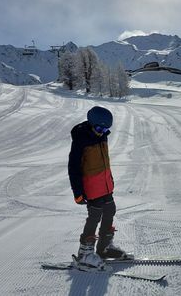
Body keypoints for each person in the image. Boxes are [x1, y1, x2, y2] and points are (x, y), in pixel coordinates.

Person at [68, 106, 129, 269]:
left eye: (106, 129)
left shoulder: (102, 137)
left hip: (105, 185)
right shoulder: (81, 139)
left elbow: (104, 162)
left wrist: (110, 180)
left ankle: (104, 247)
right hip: (91, 187)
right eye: (99, 128)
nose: (102, 131)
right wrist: (78, 192)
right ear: (91, 124)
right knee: (95, 216)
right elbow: (73, 167)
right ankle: (85, 253)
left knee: (110, 210)